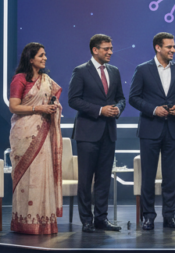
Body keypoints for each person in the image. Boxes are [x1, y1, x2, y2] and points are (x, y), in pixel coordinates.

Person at [129, 32, 175, 230]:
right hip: (150, 129)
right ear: (158, 48)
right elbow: (133, 98)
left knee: (170, 177)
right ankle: (148, 216)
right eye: (169, 47)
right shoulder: (142, 70)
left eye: (174, 46)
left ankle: (169, 217)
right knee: (148, 176)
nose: (173, 50)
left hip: (172, 130)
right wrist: (154, 109)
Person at [68, 34, 126, 233]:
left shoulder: (114, 71)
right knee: (85, 179)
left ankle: (101, 218)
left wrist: (117, 109)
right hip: (87, 133)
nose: (110, 52)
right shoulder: (81, 71)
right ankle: (86, 220)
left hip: (108, 132)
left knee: (103, 178)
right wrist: (100, 110)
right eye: (106, 49)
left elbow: (121, 98)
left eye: (111, 48)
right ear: (95, 50)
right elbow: (73, 100)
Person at [9, 42, 63, 234]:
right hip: (24, 134)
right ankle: (25, 222)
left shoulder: (46, 80)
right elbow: (13, 107)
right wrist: (38, 108)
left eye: (45, 54)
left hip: (43, 133)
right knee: (26, 178)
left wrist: (53, 107)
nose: (45, 58)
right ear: (30, 59)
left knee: (42, 176)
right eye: (41, 55)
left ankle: (43, 222)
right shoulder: (20, 79)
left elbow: (53, 99)